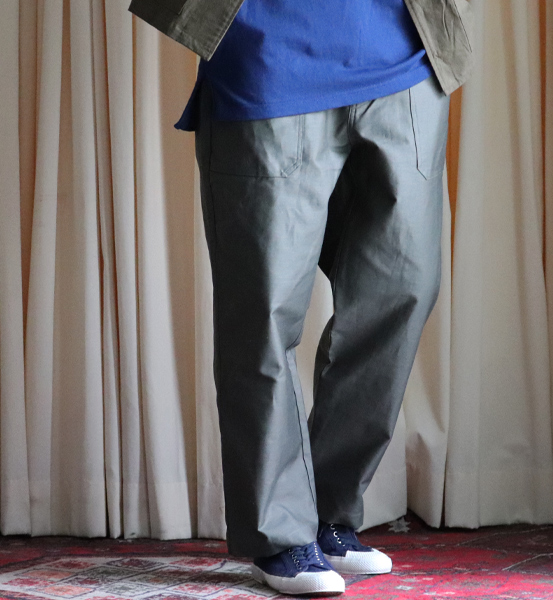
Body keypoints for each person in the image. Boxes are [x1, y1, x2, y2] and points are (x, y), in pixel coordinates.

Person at [129, 0, 474, 595]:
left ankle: (329, 514)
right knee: (263, 312)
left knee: (403, 289)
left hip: (405, 58)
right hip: (270, 61)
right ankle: (280, 534)